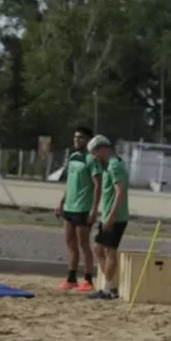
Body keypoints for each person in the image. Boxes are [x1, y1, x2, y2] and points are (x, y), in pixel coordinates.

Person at [55, 126, 102, 292]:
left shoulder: (92, 160)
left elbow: (98, 186)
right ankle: (71, 279)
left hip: (83, 208)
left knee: (84, 245)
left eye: (81, 137)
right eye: (75, 137)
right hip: (69, 206)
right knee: (70, 244)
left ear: (89, 140)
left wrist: (94, 210)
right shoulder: (73, 157)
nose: (77, 140)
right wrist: (61, 202)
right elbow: (70, 183)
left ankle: (88, 279)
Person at [86, 135, 130, 300]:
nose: (94, 157)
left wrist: (111, 216)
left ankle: (107, 289)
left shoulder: (114, 165)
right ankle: (111, 286)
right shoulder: (107, 167)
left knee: (109, 250)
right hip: (106, 217)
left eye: (94, 152)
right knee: (98, 249)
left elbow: (120, 192)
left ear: (103, 149)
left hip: (116, 218)